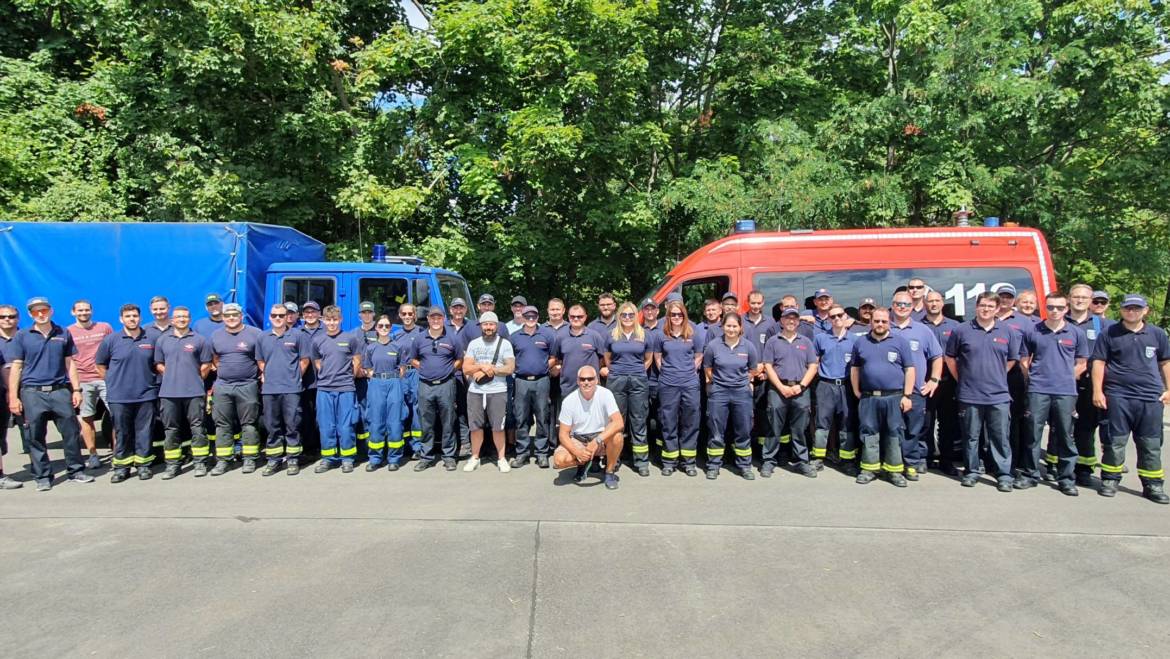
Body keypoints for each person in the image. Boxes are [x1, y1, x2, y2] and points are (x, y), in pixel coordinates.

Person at [6, 297, 95, 491]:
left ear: (51, 311)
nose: (40, 314)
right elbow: (16, 368)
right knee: (35, 437)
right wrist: (14, 397)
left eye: (44, 310)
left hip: (60, 391)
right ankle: (43, 476)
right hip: (32, 393)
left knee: (71, 433)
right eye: (36, 311)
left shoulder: (63, 333)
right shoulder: (22, 335)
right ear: (30, 314)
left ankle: (76, 471)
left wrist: (77, 389)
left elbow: (70, 363)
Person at [1091, 294, 1170, 504]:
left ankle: (1153, 485)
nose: (1131, 312)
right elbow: (1098, 362)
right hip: (1118, 395)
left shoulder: (1157, 334)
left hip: (1150, 396)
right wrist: (1097, 391)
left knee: (1150, 442)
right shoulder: (1109, 333)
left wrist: (1169, 389)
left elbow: (1165, 363)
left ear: (1145, 311)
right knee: (1115, 440)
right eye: (1128, 308)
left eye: (1136, 308)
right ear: (1122, 310)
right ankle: (1110, 479)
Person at [946, 292, 1022, 492]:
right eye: (982, 305)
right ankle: (971, 471)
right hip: (969, 394)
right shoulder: (961, 330)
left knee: (1000, 437)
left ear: (997, 309)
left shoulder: (1007, 331)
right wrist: (962, 378)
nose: (986, 309)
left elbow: (1012, 359)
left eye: (990, 306)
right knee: (971, 436)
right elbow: (950, 358)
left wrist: (996, 374)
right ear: (976, 307)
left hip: (998, 395)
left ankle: (1003, 474)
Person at [1020, 292, 1088, 495]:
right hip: (1038, 390)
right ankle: (1030, 474)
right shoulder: (1033, 331)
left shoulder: (1076, 333)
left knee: (1065, 435)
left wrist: (1066, 378)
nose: (1055, 311)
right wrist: (1033, 378)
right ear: (1045, 308)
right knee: (1033, 434)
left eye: (1059, 307)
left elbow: (1082, 363)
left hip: (1065, 392)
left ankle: (1066, 478)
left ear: (1066, 309)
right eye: (1050, 307)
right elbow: (1024, 360)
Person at [95, 304, 160, 482]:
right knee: (122, 432)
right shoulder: (111, 340)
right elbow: (100, 365)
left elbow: (158, 364)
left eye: (135, 316)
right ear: (121, 319)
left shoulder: (151, 338)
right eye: (128, 316)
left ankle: (143, 465)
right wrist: (113, 381)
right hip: (119, 396)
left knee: (144, 432)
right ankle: (121, 467)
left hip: (146, 394)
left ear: (140, 317)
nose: (132, 319)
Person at [851, 307, 915, 487]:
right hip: (869, 397)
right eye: (876, 321)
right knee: (869, 432)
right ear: (871, 322)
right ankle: (870, 469)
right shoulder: (861, 342)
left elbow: (909, 369)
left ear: (889, 322)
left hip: (894, 396)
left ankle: (894, 471)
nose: (880, 324)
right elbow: (855, 369)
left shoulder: (900, 342)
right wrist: (857, 390)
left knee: (894, 433)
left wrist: (907, 395)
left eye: (884, 321)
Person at [153, 306, 213, 478]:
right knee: (171, 428)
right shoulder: (163, 340)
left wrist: (193, 377)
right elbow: (158, 363)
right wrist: (173, 376)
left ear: (190, 318)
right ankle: (173, 464)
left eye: (185, 317)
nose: (181, 319)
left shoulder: (200, 340)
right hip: (169, 392)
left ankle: (200, 462)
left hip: (193, 392)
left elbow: (206, 364)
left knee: (197, 427)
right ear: (172, 319)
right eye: (178, 317)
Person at [889, 290, 943, 480]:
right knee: (892, 429)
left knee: (914, 429)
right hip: (891, 392)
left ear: (912, 307)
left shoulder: (923, 330)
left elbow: (937, 357)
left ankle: (912, 463)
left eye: (906, 304)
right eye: (898, 304)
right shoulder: (883, 327)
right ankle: (894, 463)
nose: (902, 308)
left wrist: (933, 380)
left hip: (915, 391)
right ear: (892, 305)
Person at [702, 312, 762, 480]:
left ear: (740, 327)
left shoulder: (748, 346)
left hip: (741, 393)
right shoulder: (713, 346)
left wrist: (741, 382)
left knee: (743, 430)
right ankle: (714, 465)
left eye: (734, 326)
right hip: (719, 392)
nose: (731, 329)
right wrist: (719, 382)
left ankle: (744, 465)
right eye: (728, 326)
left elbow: (753, 369)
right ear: (723, 326)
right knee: (716, 430)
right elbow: (707, 368)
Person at [762, 307, 818, 478]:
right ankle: (769, 460)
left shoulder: (806, 342)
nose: (791, 321)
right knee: (773, 426)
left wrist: (801, 386)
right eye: (787, 318)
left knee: (800, 428)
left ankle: (802, 461)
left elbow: (813, 366)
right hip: (778, 389)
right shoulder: (772, 341)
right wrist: (781, 387)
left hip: (800, 390)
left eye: (794, 318)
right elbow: (768, 365)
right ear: (781, 321)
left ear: (798, 321)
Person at [209, 302, 263, 475]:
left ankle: (249, 459)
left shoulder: (255, 334)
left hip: (247, 385)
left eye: (234, 315)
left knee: (249, 424)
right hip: (223, 385)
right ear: (223, 318)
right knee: (222, 424)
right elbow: (215, 359)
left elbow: (261, 359)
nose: (231, 318)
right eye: (227, 315)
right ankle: (224, 460)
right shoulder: (216, 336)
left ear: (241, 316)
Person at [256, 303, 310, 476]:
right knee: (272, 425)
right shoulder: (262, 337)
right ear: (270, 317)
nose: (278, 319)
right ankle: (274, 459)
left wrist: (294, 377)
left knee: (292, 424)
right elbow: (261, 361)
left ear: (287, 317)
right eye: (274, 316)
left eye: (281, 315)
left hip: (291, 388)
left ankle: (293, 458)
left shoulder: (297, 335)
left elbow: (304, 360)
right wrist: (268, 374)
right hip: (270, 388)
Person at [1067, 283, 1112, 485]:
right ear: (1069, 298)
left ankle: (1084, 468)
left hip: (1090, 383)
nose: (1080, 300)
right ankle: (1058, 465)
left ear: (1090, 301)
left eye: (1084, 298)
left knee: (1085, 427)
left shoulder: (1103, 325)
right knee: (1062, 426)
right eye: (1076, 297)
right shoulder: (1059, 319)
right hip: (1063, 383)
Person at [654, 300, 705, 476]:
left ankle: (689, 462)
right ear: (668, 316)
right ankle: (669, 461)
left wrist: (689, 371)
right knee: (668, 421)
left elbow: (699, 355)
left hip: (690, 383)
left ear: (684, 315)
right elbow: (657, 357)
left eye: (679, 314)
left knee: (690, 421)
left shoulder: (693, 332)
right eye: (673, 314)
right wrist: (669, 372)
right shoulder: (661, 334)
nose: (676, 317)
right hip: (668, 384)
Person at [411, 306, 464, 471]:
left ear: (443, 319)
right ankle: (426, 456)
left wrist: (449, 370)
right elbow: (413, 359)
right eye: (432, 318)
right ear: (428, 319)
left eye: (439, 318)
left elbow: (460, 359)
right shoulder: (419, 339)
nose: (435, 320)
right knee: (426, 423)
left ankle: (449, 456)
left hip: (446, 385)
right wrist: (425, 369)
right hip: (425, 385)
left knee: (448, 421)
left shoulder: (452, 338)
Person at [462, 311, 515, 472]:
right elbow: (466, 367)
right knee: (475, 426)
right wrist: (481, 366)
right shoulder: (474, 344)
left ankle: (501, 458)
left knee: (498, 426)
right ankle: (475, 457)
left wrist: (493, 369)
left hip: (498, 390)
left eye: (491, 324)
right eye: (485, 324)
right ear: (481, 326)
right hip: (475, 391)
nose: (488, 327)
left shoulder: (505, 344)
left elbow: (510, 368)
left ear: (496, 326)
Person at [605, 301, 653, 476]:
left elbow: (648, 358)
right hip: (617, 380)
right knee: (617, 422)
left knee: (639, 420)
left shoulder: (644, 335)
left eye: (630, 315)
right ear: (619, 316)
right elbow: (607, 358)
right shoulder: (611, 335)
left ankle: (641, 462)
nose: (627, 318)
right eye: (624, 315)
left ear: (636, 316)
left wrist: (638, 371)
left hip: (638, 381)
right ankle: (614, 459)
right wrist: (618, 372)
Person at [557, 365, 623, 490]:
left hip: (600, 437)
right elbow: (563, 434)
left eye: (590, 379)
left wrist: (597, 440)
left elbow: (619, 422)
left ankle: (609, 472)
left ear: (597, 380)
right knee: (559, 460)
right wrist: (578, 452)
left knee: (618, 437)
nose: (586, 382)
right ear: (577, 381)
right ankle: (583, 462)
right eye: (582, 379)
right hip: (578, 439)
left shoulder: (606, 394)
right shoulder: (569, 401)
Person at [67, 299, 113, 470]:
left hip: (105, 379)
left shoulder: (104, 328)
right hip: (83, 381)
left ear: (92, 311)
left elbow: (113, 349)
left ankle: (117, 452)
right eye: (80, 310)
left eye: (86, 310)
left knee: (116, 415)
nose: (83, 313)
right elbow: (68, 359)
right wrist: (75, 387)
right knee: (86, 417)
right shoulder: (68, 332)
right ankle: (93, 454)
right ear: (73, 312)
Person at [995, 283, 1034, 484]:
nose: (1005, 300)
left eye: (1009, 296)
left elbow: (1028, 353)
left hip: (1015, 376)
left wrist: (1026, 378)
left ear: (1013, 300)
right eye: (1002, 296)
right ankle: (993, 461)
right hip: (990, 377)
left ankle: (1014, 462)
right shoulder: (987, 317)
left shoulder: (1024, 322)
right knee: (992, 422)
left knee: (1014, 421)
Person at [813, 304, 858, 474]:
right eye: (833, 317)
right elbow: (814, 362)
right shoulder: (820, 339)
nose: (837, 319)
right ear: (829, 320)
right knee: (822, 424)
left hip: (846, 386)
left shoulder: (855, 340)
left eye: (840, 315)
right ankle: (818, 458)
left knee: (847, 423)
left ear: (846, 316)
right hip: (826, 385)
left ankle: (847, 460)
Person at [510, 306, 557, 468]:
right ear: (522, 317)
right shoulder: (514, 337)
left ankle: (541, 453)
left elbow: (553, 357)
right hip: (521, 381)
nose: (531, 319)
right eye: (527, 316)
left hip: (542, 381)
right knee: (521, 418)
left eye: (533, 316)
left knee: (543, 417)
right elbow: (510, 359)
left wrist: (544, 367)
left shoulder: (547, 334)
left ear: (538, 317)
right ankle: (522, 453)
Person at [922, 290, 961, 474]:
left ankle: (946, 460)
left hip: (948, 383)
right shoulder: (918, 326)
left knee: (948, 424)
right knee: (926, 423)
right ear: (924, 303)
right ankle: (927, 458)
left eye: (937, 301)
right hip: (926, 383)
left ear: (942, 303)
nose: (934, 304)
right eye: (930, 301)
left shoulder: (955, 326)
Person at [363, 314, 407, 471]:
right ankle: (375, 458)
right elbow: (367, 368)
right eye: (381, 326)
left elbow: (402, 369)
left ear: (390, 328)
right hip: (376, 384)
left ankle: (394, 458)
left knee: (395, 422)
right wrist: (377, 378)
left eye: (387, 326)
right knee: (375, 422)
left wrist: (391, 379)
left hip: (394, 383)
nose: (383, 328)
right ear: (376, 328)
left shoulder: (397, 347)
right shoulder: (370, 348)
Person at [0, 303, 30, 489]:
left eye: (11, 316)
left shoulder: (26, 337)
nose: (7, 320)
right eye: (3, 317)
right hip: (1, 392)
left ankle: (39, 467)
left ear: (18, 319)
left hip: (26, 390)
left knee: (31, 431)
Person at [743, 290, 775, 451]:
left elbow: (773, 348)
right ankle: (745, 447)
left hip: (763, 375)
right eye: (752, 303)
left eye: (758, 303)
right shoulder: (740, 321)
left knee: (763, 413)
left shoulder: (770, 322)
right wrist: (748, 372)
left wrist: (765, 370)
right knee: (744, 414)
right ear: (748, 303)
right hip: (744, 375)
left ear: (763, 303)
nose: (755, 306)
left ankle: (762, 450)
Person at [392, 304, 424, 459]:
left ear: (414, 315)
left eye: (410, 313)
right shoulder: (395, 335)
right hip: (401, 374)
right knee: (402, 409)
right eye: (404, 313)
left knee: (417, 409)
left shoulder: (422, 333)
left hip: (416, 372)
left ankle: (417, 445)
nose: (407, 316)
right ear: (399, 315)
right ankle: (404, 445)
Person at [553, 306, 606, 397]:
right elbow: (557, 358)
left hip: (590, 387)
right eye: (573, 316)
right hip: (568, 388)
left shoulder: (594, 336)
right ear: (568, 317)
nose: (576, 319)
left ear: (585, 317)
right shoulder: (560, 337)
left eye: (579, 316)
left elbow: (603, 359)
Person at [298, 301, 324, 457]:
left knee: (322, 417)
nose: (310, 315)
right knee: (306, 417)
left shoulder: (327, 330)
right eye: (306, 312)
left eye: (313, 312)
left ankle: (323, 446)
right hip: (305, 382)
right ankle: (309, 449)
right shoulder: (296, 332)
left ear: (319, 313)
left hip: (324, 382)